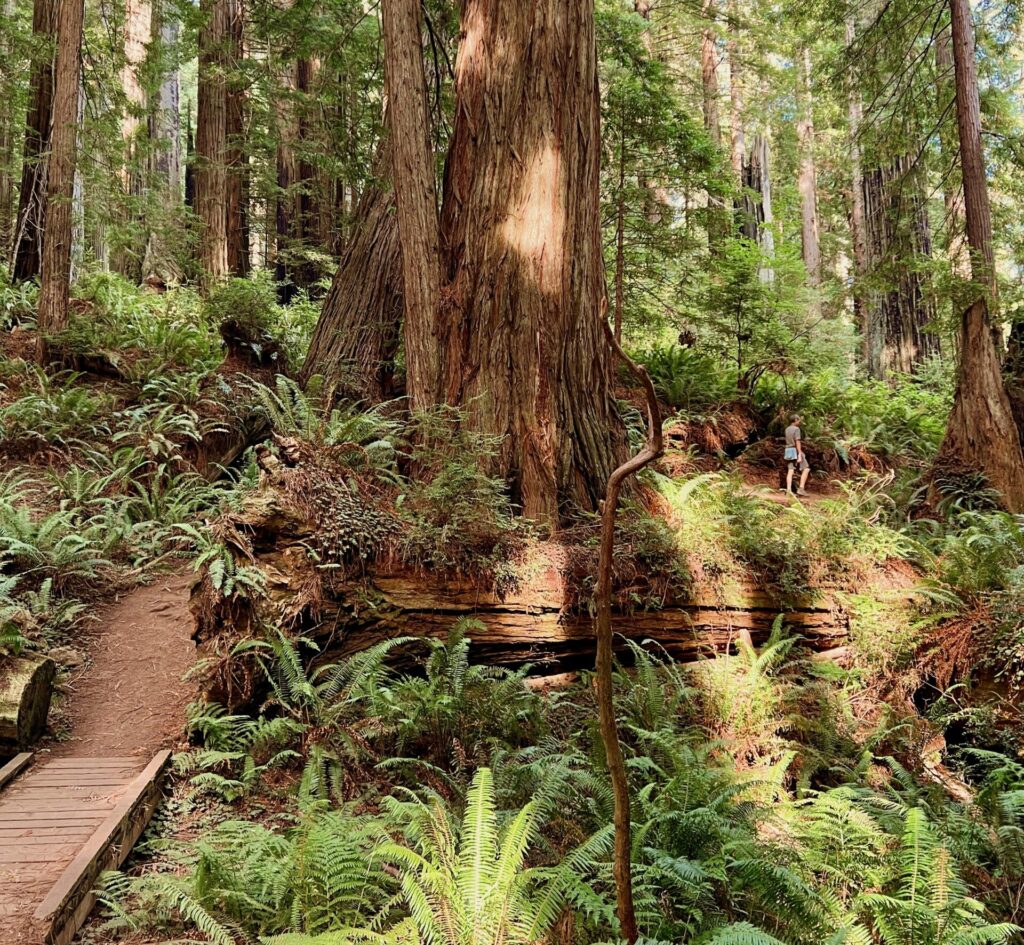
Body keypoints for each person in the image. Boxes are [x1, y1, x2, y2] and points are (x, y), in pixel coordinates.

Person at [782, 413, 810, 496]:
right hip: (795, 450)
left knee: (790, 470)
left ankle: (789, 490)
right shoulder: (796, 429)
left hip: (788, 450)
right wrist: (799, 453)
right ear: (795, 420)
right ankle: (801, 489)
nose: (799, 422)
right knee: (806, 468)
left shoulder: (787, 429)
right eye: (798, 420)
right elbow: (797, 441)